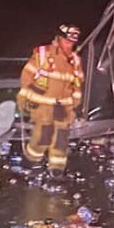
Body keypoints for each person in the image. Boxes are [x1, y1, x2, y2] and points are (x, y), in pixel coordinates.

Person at [18, 25, 84, 175]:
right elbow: (27, 76)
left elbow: (77, 84)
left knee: (61, 138)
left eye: (72, 42)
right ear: (59, 38)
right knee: (43, 135)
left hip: (64, 106)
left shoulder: (75, 60)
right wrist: (24, 98)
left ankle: (56, 168)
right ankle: (32, 161)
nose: (69, 45)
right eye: (66, 41)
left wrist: (75, 103)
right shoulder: (43, 55)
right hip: (43, 105)